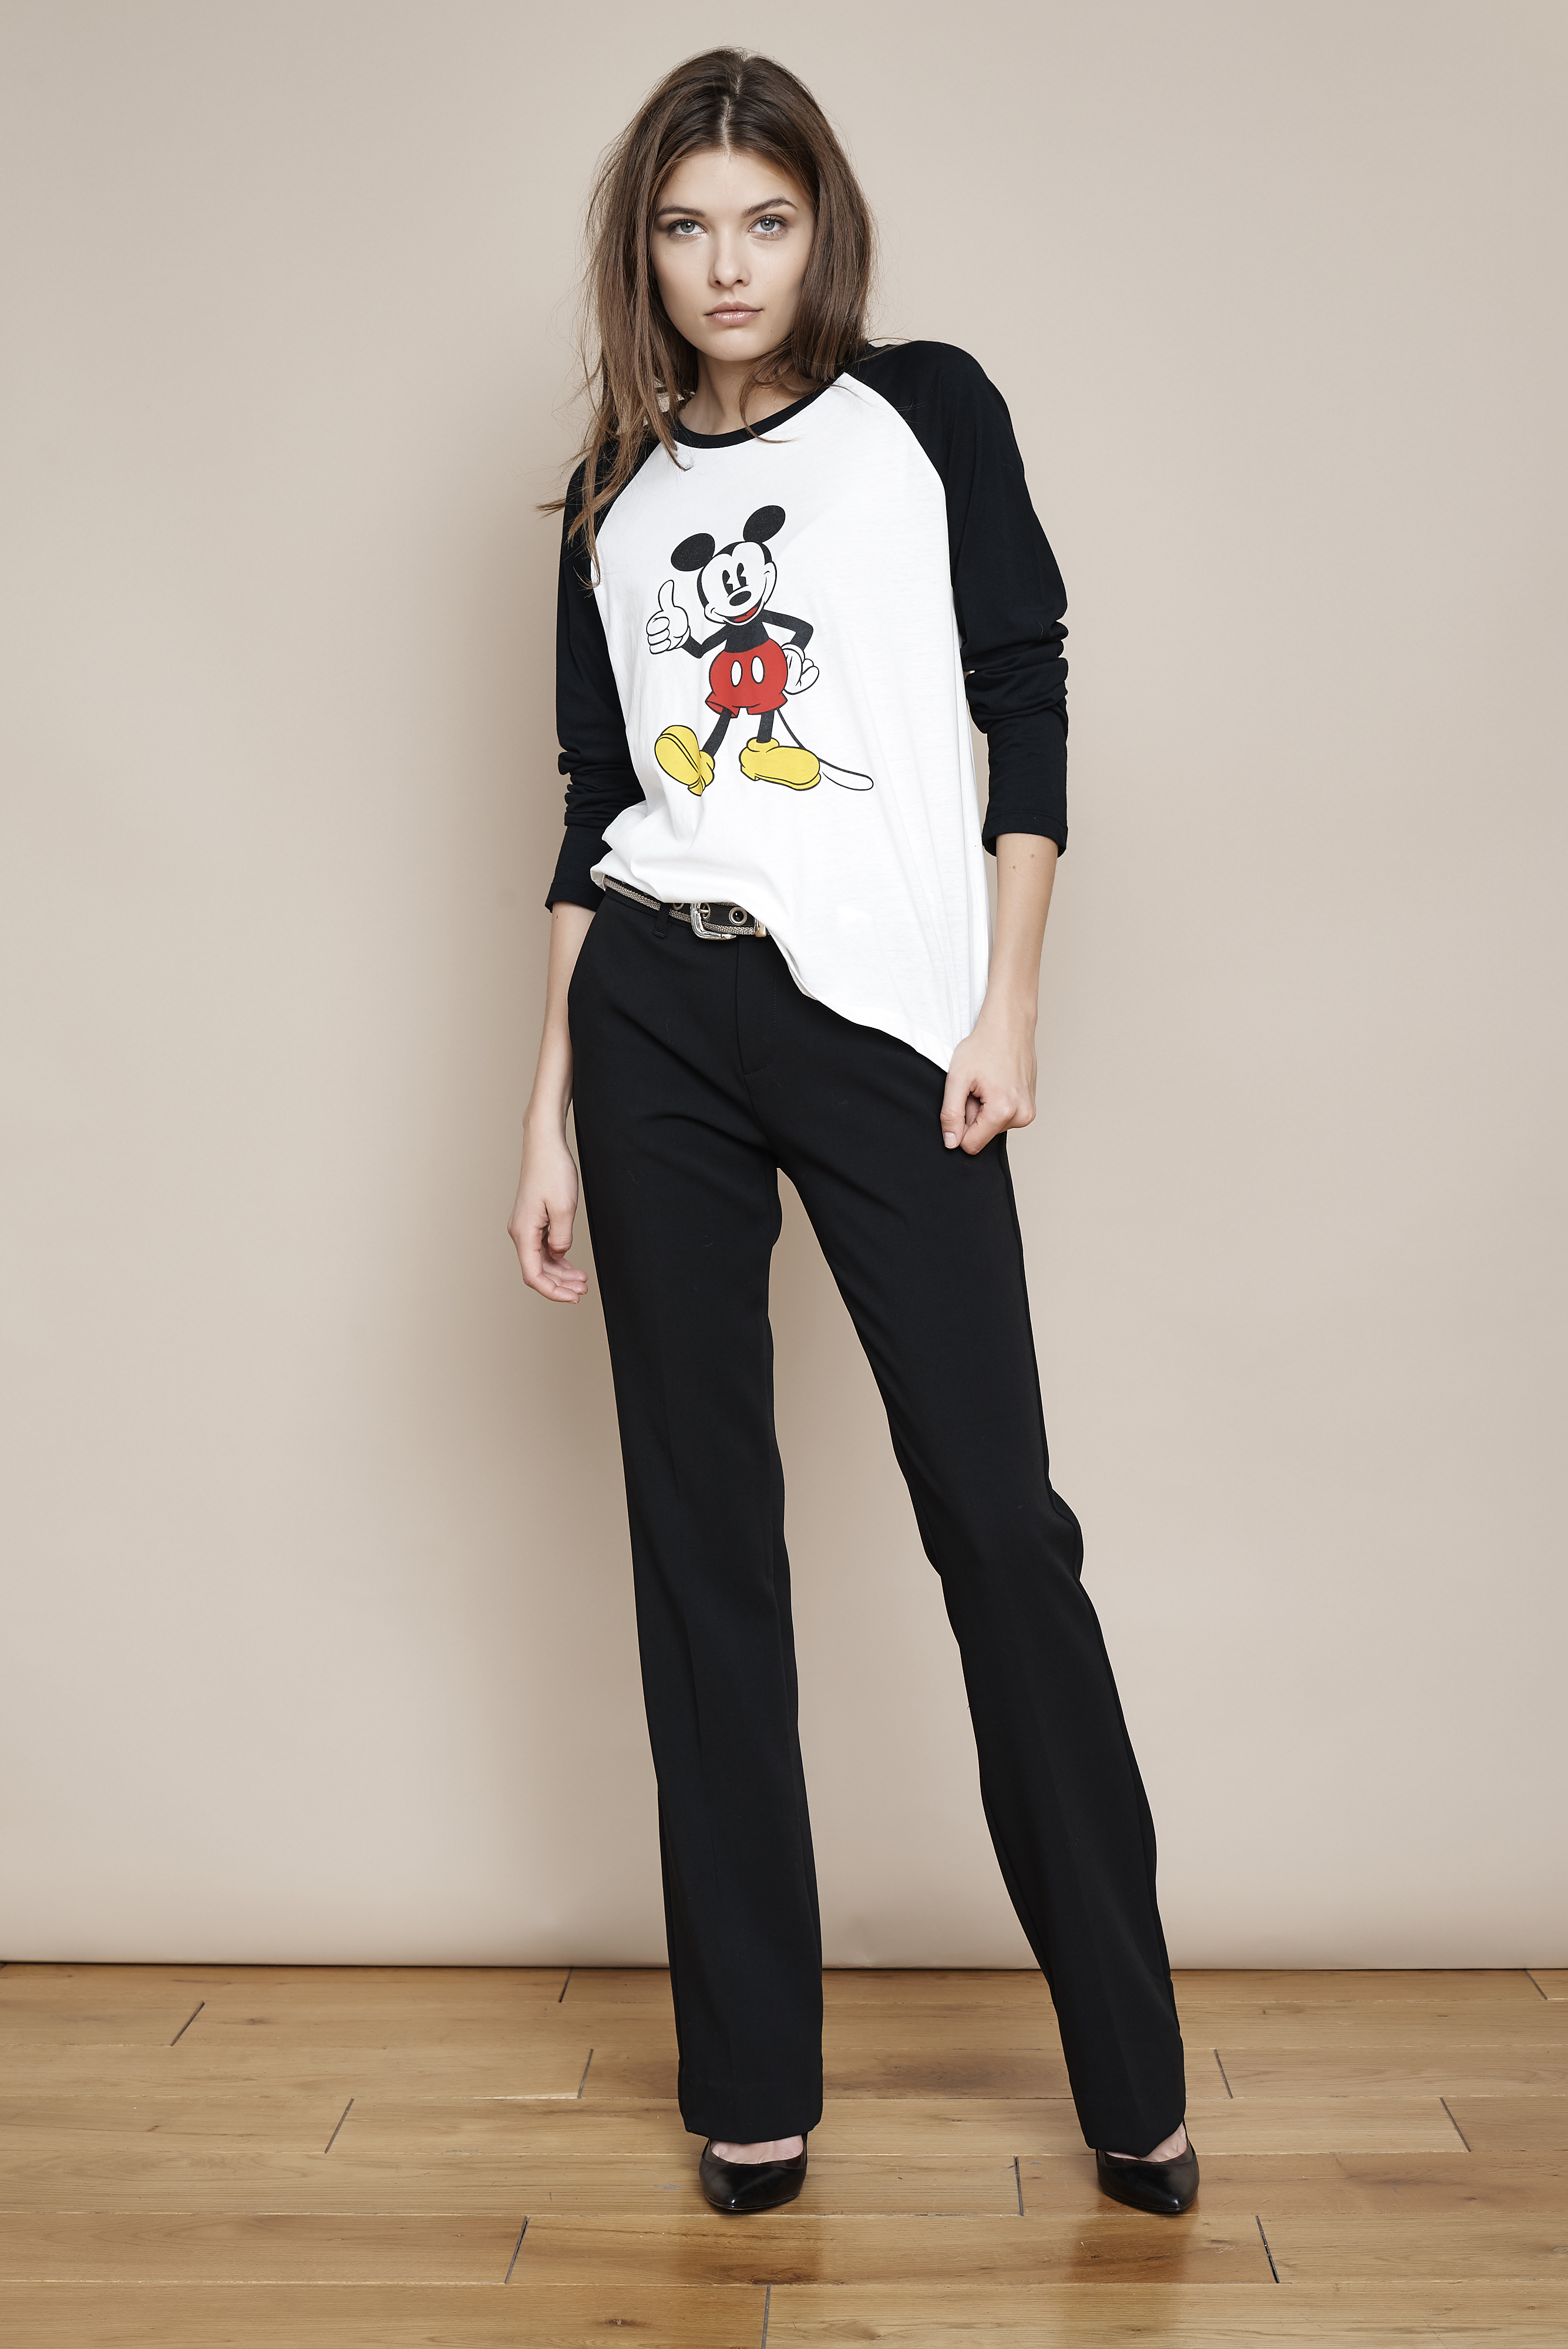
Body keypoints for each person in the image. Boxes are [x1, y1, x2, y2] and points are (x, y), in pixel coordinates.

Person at [509, 46, 1196, 2220]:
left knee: (998, 1526)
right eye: (687, 225)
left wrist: (1009, 1001)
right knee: (702, 1548)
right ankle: (752, 2085)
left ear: (824, 231)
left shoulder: (930, 416)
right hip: (654, 1014)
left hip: (889, 1022)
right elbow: (594, 814)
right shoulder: (612, 505)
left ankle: (1137, 2082)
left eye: (766, 219)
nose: (728, 265)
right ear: (643, 250)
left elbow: (1026, 693)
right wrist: (544, 1115)